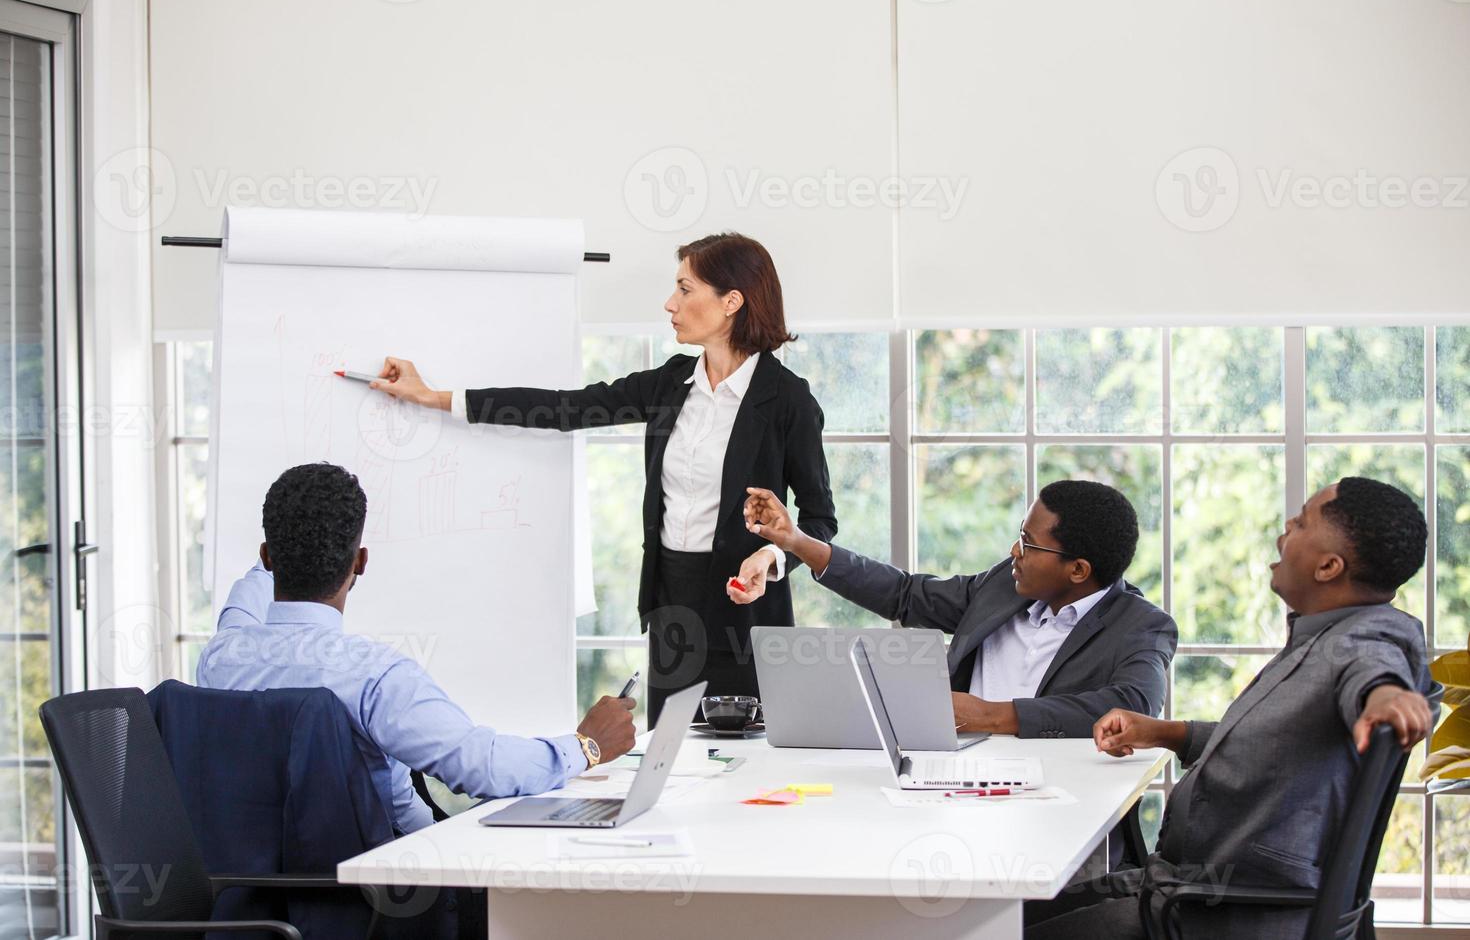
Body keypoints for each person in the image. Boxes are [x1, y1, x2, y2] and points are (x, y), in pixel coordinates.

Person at [371, 233, 838, 725]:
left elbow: (820, 521)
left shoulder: (788, 400)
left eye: (684, 289)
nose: (670, 303)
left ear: (731, 302)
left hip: (747, 617)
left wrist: (769, 556)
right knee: (672, 764)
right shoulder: (669, 384)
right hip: (672, 609)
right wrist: (435, 397)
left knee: (747, 771)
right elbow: (564, 408)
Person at [1025, 477, 1437, 940]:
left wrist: (1385, 695)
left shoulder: (1363, 639)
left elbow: (1374, 666)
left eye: (1302, 521)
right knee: (1012, 911)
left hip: (1216, 915)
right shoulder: (1323, 634)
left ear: (1328, 566)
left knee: (987, 930)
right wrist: (1167, 733)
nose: (1287, 526)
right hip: (1184, 889)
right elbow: (1277, 745)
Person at [197, 462, 637, 834]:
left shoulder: (221, 657)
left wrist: (282, 543)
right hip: (396, 891)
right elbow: (482, 768)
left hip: (244, 895)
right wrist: (586, 746)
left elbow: (246, 597)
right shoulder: (373, 677)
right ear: (360, 563)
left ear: (268, 556)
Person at [739, 479, 1177, 739]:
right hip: (954, 782)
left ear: (1078, 570)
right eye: (1018, 535)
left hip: (1058, 802)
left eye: (1029, 543)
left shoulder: (1142, 628)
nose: (1014, 551)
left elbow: (1133, 705)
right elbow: (905, 594)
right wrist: (797, 542)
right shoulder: (1006, 585)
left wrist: (991, 714)